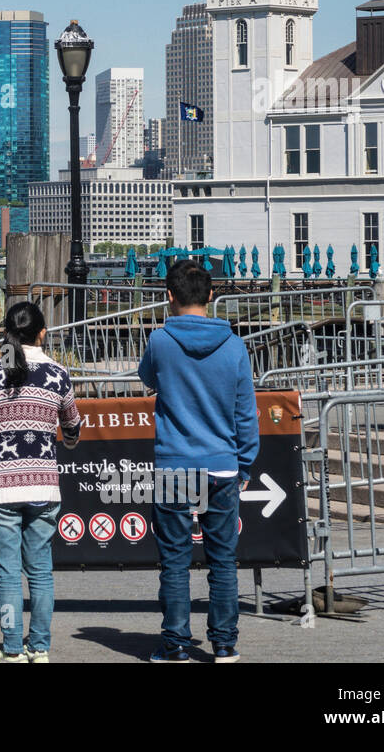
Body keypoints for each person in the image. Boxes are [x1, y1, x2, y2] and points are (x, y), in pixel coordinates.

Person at [137, 260, 258, 663]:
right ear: (211, 296)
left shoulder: (160, 341)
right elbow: (245, 412)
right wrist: (245, 463)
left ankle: (175, 645)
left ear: (169, 296)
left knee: (174, 560)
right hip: (223, 464)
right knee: (223, 558)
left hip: (175, 462)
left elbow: (148, 378)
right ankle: (224, 644)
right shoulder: (234, 345)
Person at [0, 301, 82, 663]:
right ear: (42, 333)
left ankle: (13, 649)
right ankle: (40, 647)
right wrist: (67, 442)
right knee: (41, 572)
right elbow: (73, 426)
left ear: (7, 333)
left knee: (8, 574)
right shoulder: (58, 374)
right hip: (43, 486)